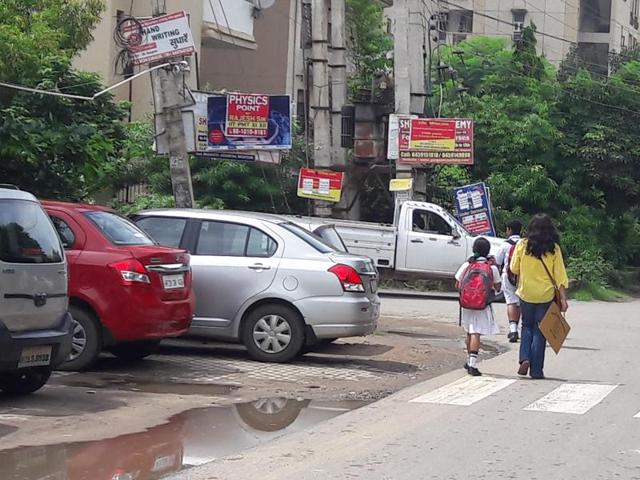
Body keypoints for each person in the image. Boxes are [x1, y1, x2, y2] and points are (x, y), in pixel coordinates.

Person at [510, 214, 569, 379]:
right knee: (540, 331)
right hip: (545, 295)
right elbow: (560, 277)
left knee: (526, 326)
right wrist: (563, 299)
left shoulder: (522, 244)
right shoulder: (554, 248)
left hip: (526, 292)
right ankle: (536, 371)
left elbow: (514, 268)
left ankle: (524, 358)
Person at [455, 237, 501, 376]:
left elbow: (457, 282)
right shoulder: (491, 268)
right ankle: (473, 366)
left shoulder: (467, 265)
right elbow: (498, 287)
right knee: (476, 332)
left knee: (469, 331)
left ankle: (469, 360)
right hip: (482, 304)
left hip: (467, 303)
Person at [495, 220, 523, 343]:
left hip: (508, 277)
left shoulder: (505, 245)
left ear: (509, 230)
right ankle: (522, 328)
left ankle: (513, 330)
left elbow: (497, 261)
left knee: (511, 302)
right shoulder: (525, 243)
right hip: (523, 277)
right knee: (521, 302)